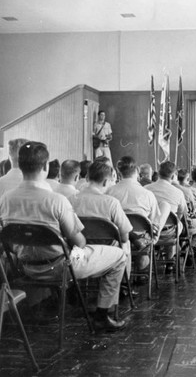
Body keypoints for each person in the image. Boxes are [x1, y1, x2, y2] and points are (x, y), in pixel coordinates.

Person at [0, 142, 127, 332]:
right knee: (118, 256)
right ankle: (102, 315)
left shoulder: (5, 199)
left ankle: (72, 293)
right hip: (62, 266)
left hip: (25, 267)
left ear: (19, 164)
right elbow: (79, 242)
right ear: (44, 167)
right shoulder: (56, 201)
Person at [68, 160, 133, 288]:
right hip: (107, 250)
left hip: (78, 252)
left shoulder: (70, 200)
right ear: (105, 182)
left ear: (86, 177)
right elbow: (124, 237)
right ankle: (125, 285)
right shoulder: (111, 202)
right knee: (127, 243)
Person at [107, 156, 169, 274]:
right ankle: (141, 271)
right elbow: (154, 221)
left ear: (118, 172)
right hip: (141, 239)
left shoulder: (109, 192)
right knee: (148, 229)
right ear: (136, 171)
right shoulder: (147, 194)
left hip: (116, 238)